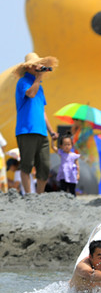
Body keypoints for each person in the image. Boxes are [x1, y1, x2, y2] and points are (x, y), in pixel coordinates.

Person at [14, 52, 59, 194]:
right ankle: (28, 196)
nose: (38, 67)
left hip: (41, 132)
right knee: (26, 165)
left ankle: (39, 197)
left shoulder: (40, 86)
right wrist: (39, 77)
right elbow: (30, 94)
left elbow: (42, 111)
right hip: (26, 130)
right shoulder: (23, 82)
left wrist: (51, 131)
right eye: (35, 65)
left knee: (44, 166)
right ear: (28, 68)